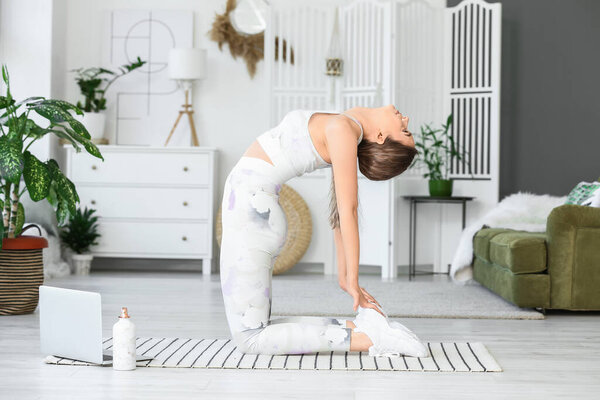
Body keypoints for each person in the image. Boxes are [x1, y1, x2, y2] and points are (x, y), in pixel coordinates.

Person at [219, 104, 429, 357]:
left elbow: (347, 209)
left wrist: (352, 278)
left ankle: (368, 339)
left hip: (250, 216)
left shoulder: (343, 129)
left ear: (381, 137)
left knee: (251, 339)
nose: (405, 118)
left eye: (404, 130)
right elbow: (338, 214)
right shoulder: (346, 128)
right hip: (253, 214)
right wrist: (344, 277)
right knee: (255, 330)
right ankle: (365, 329)